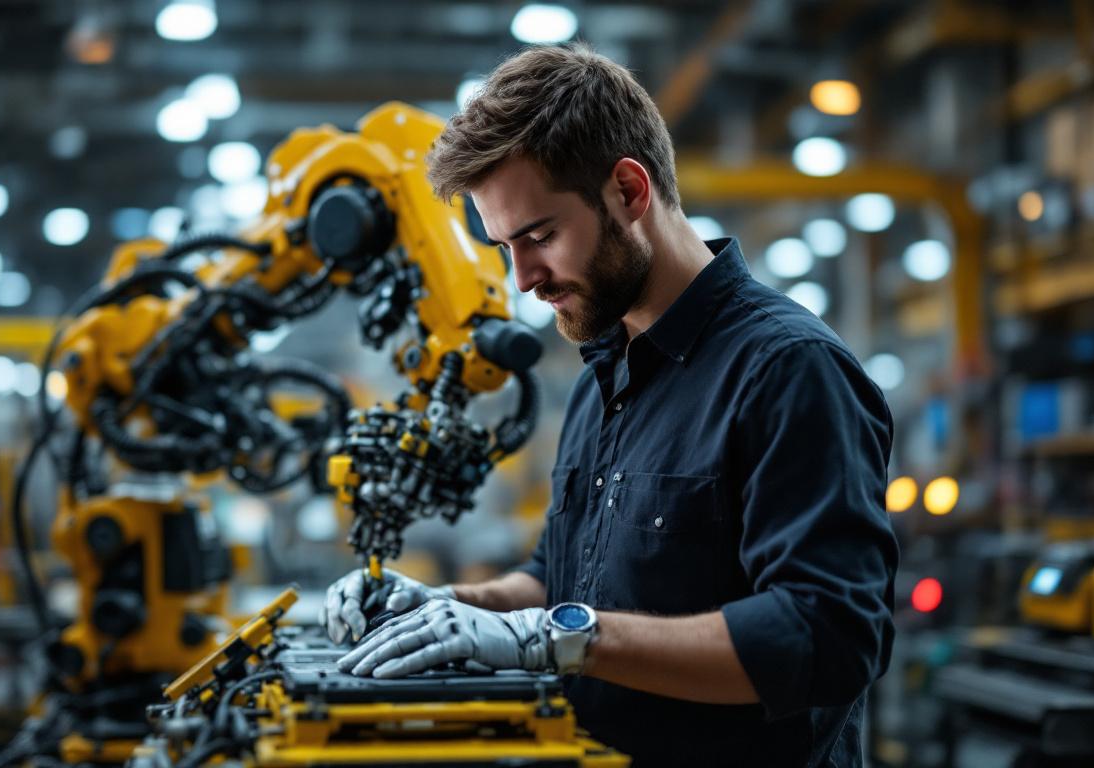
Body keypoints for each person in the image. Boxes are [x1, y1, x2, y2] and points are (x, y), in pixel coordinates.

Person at [317, 43, 899, 767]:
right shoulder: (606, 372)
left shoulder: (788, 370)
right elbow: (558, 580)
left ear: (628, 190)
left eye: (540, 237)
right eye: (504, 247)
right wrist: (451, 608)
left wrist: (560, 639)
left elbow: (827, 635)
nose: (523, 278)